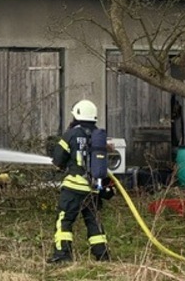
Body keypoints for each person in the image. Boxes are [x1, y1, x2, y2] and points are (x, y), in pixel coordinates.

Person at [47, 99, 114, 263]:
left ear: (76, 115)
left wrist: (59, 165)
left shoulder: (71, 134)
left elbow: (58, 160)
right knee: (93, 222)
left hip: (73, 188)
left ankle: (63, 255)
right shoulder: (98, 135)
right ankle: (102, 255)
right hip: (93, 188)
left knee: (65, 220)